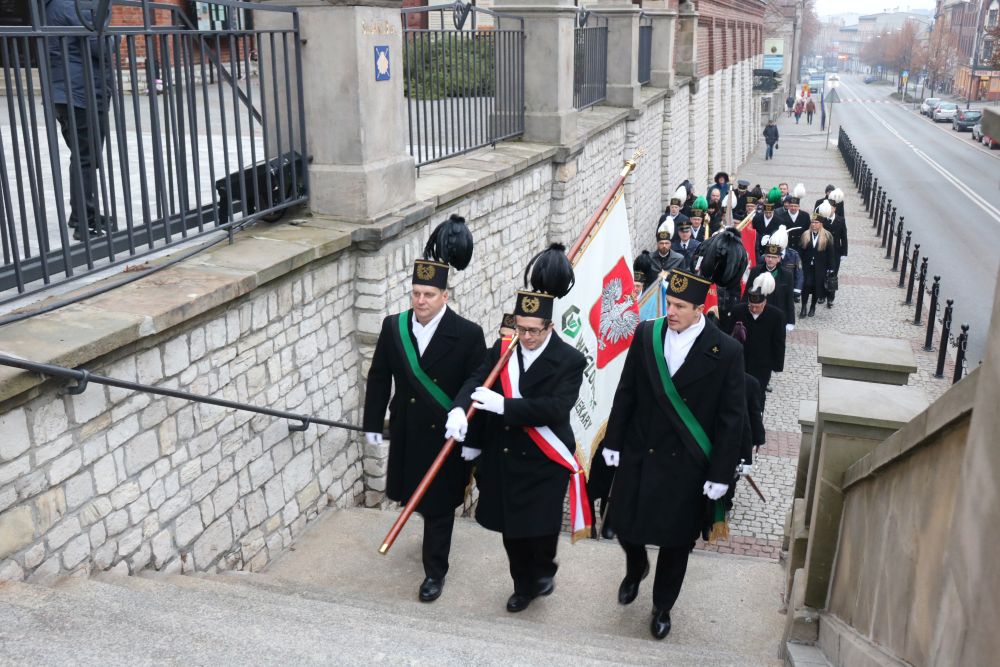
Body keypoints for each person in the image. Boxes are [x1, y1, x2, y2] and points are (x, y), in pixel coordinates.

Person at [600, 266, 745, 640]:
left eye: (681, 305)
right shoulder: (647, 334)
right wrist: (613, 440)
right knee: (623, 524)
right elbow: (626, 391)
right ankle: (636, 567)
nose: (673, 311)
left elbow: (731, 420)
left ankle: (662, 606)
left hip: (687, 465)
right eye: (670, 303)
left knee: (676, 542)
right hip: (640, 452)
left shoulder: (726, 351)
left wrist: (720, 474)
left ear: (700, 308)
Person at [453, 244, 587, 614]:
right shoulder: (503, 348)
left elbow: (556, 407)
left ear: (550, 326)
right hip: (506, 457)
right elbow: (477, 380)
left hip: (545, 460)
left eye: (533, 331)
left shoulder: (570, 360)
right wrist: (459, 409)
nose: (526, 337)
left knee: (540, 528)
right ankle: (522, 586)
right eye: (521, 329)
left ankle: (544, 569)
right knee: (512, 532)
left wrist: (505, 406)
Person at [362, 215, 487, 603]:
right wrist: (371, 424)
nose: (420, 301)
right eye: (416, 293)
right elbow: (379, 376)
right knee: (411, 496)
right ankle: (430, 550)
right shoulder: (392, 326)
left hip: (445, 436)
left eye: (429, 295)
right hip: (407, 431)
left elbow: (478, 379)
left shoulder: (468, 334)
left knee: (438, 509)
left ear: (444, 296)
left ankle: (435, 572)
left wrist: (462, 410)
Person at [46, 0, 117, 241]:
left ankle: (85, 212)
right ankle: (83, 221)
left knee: (85, 155)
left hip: (66, 90)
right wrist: (112, 35)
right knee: (86, 157)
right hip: (82, 90)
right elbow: (100, 46)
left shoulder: (55, 5)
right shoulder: (76, 5)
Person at [722, 273, 786, 408]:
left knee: (758, 394)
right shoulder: (738, 311)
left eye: (758, 306)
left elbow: (778, 342)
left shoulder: (776, 316)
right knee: (737, 392)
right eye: (752, 306)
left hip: (762, 364)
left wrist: (777, 365)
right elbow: (728, 334)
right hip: (741, 360)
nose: (754, 309)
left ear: (765, 302)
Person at [745, 231, 796, 330]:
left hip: (777, 316)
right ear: (764, 257)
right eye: (768, 256)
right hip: (758, 314)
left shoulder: (787, 275)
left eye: (774, 257)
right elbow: (747, 293)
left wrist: (791, 321)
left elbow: (789, 299)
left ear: (779, 259)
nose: (770, 260)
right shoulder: (755, 271)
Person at [799, 213, 836, 317]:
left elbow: (831, 254)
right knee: (806, 285)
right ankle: (803, 306)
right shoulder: (805, 234)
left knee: (816, 287)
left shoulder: (827, 236)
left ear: (821, 224)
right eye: (812, 222)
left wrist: (831, 268)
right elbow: (800, 251)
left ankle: (812, 307)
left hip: (820, 267)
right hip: (807, 266)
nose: (814, 224)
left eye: (816, 223)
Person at [814, 200, 847, 308]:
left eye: (832, 208)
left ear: (835, 209)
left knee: (833, 275)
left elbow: (844, 237)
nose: (830, 210)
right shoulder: (822, 220)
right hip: (823, 250)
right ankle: (822, 295)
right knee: (822, 273)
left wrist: (844, 253)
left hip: (836, 252)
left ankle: (830, 297)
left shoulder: (841, 220)